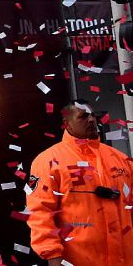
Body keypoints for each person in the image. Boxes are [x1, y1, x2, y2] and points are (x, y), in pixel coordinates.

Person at [25, 100, 133, 265]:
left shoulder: (120, 159)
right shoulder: (48, 161)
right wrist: (53, 256)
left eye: (93, 116)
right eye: (83, 117)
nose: (91, 120)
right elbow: (40, 213)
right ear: (67, 123)